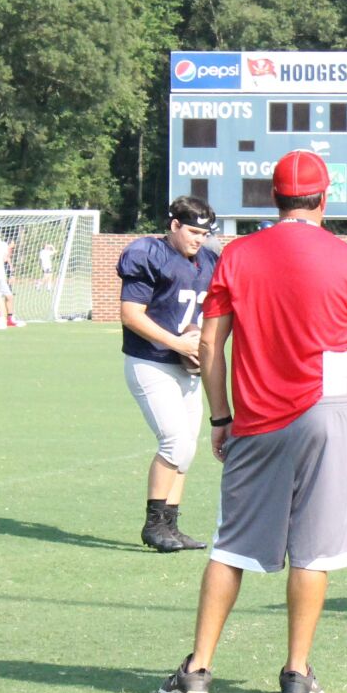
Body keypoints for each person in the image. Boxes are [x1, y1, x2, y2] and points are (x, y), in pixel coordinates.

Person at [157, 150, 347, 693]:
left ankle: (198, 671)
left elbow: (211, 343)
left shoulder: (236, 254)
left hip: (256, 419)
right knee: (313, 551)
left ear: (273, 198)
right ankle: (295, 674)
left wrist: (220, 416)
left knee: (231, 546)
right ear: (324, 197)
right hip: (327, 413)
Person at [118, 195, 219, 552]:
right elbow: (131, 314)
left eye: (204, 234)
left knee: (187, 448)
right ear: (174, 224)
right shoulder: (149, 253)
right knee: (174, 442)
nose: (199, 240)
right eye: (192, 231)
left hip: (184, 365)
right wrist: (179, 344)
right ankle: (153, 525)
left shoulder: (208, 260)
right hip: (150, 361)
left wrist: (196, 339)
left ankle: (171, 526)